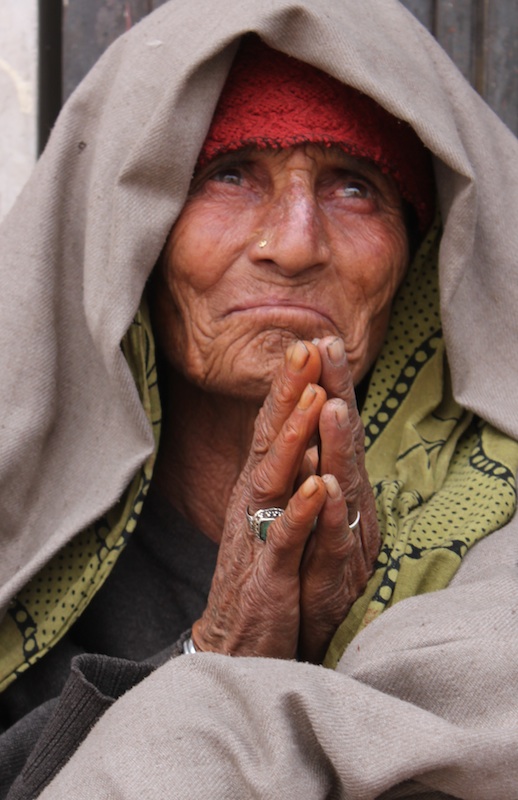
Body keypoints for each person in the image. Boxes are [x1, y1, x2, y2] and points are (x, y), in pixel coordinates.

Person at [1, 0, 518, 797]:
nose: (296, 242)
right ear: (132, 238)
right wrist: (214, 661)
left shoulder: (492, 531)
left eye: (355, 188)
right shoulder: (22, 528)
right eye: (230, 175)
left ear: (417, 261)